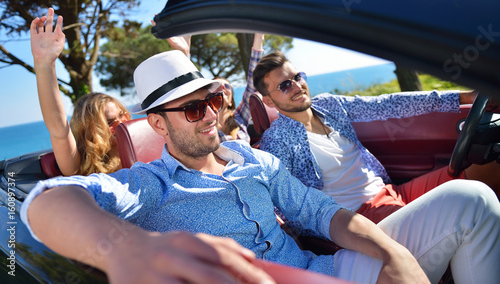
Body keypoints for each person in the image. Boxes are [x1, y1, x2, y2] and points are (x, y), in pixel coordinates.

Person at [21, 48, 500, 284]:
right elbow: (49, 199)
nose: (210, 114)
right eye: (192, 109)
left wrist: (388, 252)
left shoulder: (253, 158)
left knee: (471, 199)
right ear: (159, 127)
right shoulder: (149, 184)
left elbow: (320, 212)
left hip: (323, 267)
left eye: (214, 99)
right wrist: (123, 250)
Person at [253, 50, 500, 224]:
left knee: (489, 171)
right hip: (360, 217)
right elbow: (281, 203)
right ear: (268, 100)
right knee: (468, 207)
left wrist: (463, 98)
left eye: (298, 77)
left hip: (391, 192)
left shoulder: (329, 104)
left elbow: (387, 104)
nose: (297, 86)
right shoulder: (276, 141)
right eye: (285, 85)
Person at [31, 8, 131, 176]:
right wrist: (45, 64)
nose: (121, 124)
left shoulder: (146, 143)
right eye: (109, 122)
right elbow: (59, 130)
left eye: (122, 115)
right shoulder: (82, 166)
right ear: (90, 131)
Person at [166, 33, 264, 143]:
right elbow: (190, 89)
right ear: (208, 96)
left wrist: (259, 38)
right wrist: (184, 55)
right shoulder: (203, 120)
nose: (222, 86)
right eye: (217, 84)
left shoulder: (240, 117)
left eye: (227, 86)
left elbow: (253, 83)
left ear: (231, 102)